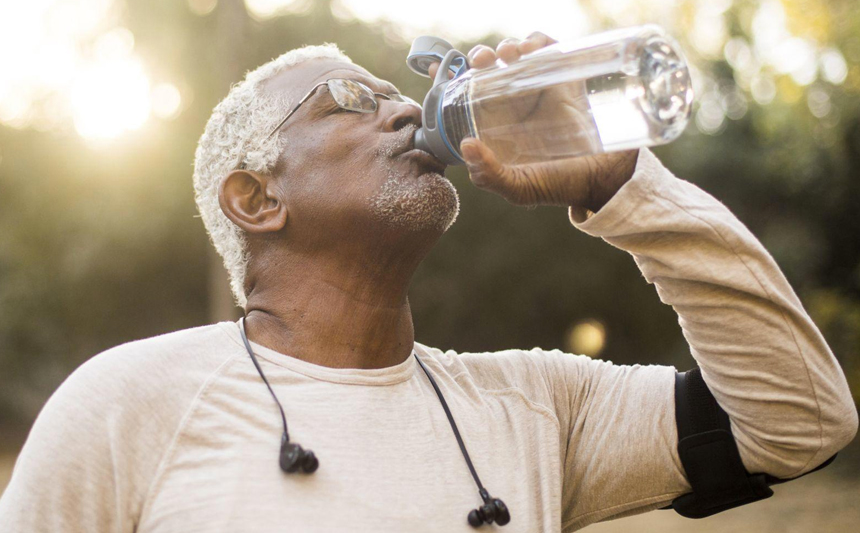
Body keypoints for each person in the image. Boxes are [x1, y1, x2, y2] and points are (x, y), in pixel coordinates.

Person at [0, 32, 856, 532]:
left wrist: (621, 188)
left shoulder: (537, 405)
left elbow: (799, 418)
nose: (408, 110)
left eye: (396, 93)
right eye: (348, 99)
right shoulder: (127, 403)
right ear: (257, 198)